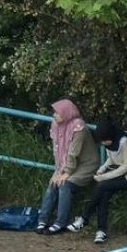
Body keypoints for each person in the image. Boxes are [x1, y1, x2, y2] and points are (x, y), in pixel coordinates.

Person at [67, 120, 127, 244]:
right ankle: (101, 232)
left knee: (102, 186)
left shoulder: (124, 142)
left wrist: (104, 177)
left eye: (104, 141)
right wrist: (102, 168)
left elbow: (126, 166)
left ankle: (84, 218)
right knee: (103, 193)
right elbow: (112, 158)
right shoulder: (110, 142)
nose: (103, 143)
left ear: (110, 136)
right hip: (118, 171)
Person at [36, 99, 99, 234]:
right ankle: (42, 220)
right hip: (66, 164)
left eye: (57, 112)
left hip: (86, 165)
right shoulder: (56, 124)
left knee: (65, 185)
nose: (54, 115)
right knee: (53, 183)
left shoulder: (78, 126)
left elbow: (73, 153)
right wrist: (59, 171)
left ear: (66, 112)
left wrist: (66, 173)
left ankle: (60, 222)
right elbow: (57, 150)